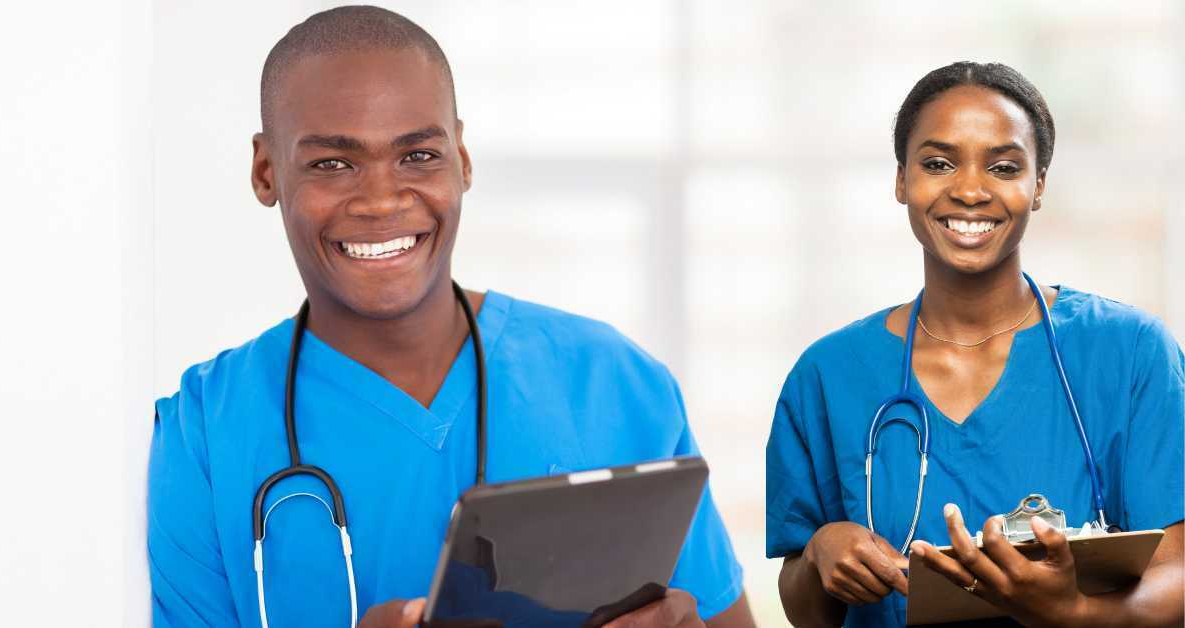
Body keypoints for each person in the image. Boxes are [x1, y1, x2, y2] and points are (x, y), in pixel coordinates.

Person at [148, 6, 753, 628]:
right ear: (266, 170)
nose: (381, 200)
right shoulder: (201, 432)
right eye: (333, 163)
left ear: (461, 158)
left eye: (418, 155)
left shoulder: (613, 382)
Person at [767, 61, 1183, 627]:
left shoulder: (1130, 353)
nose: (968, 190)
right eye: (938, 164)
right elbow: (806, 612)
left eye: (1004, 167)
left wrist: (1074, 613)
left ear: (1038, 185)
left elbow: (1178, 575)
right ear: (901, 180)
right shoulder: (828, 375)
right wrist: (819, 552)